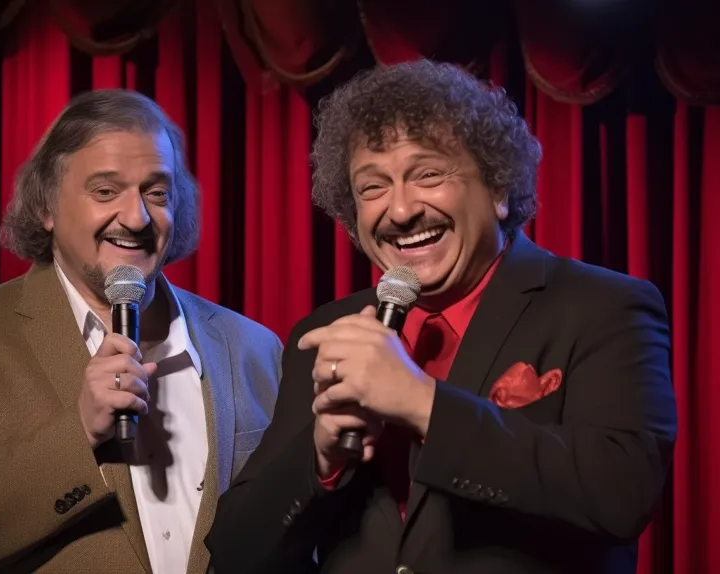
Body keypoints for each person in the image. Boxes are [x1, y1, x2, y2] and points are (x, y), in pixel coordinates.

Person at [205, 60, 678, 574]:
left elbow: (620, 495)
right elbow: (235, 554)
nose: (402, 210)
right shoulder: (335, 332)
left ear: (497, 189)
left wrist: (419, 401)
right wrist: (319, 458)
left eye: (428, 175)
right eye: (372, 188)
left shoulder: (604, 306)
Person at [0, 89, 282, 573]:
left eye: (157, 192)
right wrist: (79, 431)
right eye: (105, 191)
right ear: (47, 206)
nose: (137, 217)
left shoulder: (253, 347)